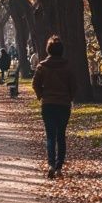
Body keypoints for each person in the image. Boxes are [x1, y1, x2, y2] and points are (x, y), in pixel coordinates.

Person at [32, 36, 76, 179]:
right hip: (63, 104)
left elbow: (35, 83)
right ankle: (59, 167)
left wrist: (41, 95)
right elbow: (74, 85)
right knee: (61, 135)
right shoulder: (68, 66)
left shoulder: (42, 66)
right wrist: (70, 97)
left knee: (50, 136)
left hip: (48, 104)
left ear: (48, 50)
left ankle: (50, 164)